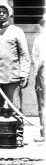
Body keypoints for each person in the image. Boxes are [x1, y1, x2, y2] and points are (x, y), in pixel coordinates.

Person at [0, 3, 30, 146]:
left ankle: (18, 135)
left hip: (12, 75)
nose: (1, 14)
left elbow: (24, 55)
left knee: (15, 107)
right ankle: (1, 135)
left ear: (9, 15)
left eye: (4, 12)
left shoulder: (17, 31)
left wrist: (24, 74)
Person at [29, 14, 46, 143]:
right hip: (42, 73)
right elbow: (37, 59)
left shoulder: (40, 39)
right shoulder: (39, 39)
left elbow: (40, 60)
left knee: (43, 105)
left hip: (42, 73)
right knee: (42, 105)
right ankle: (43, 133)